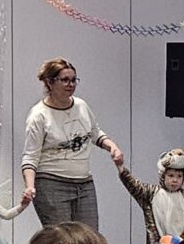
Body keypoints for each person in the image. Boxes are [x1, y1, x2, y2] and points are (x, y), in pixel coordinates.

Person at [20, 57, 120, 234]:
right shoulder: (39, 115)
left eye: (74, 80)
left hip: (84, 182)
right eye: (65, 80)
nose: (70, 85)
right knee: (62, 239)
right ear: (50, 83)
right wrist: (29, 186)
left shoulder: (81, 105)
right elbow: (30, 156)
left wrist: (112, 146)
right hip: (52, 182)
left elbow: (95, 133)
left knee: (89, 237)